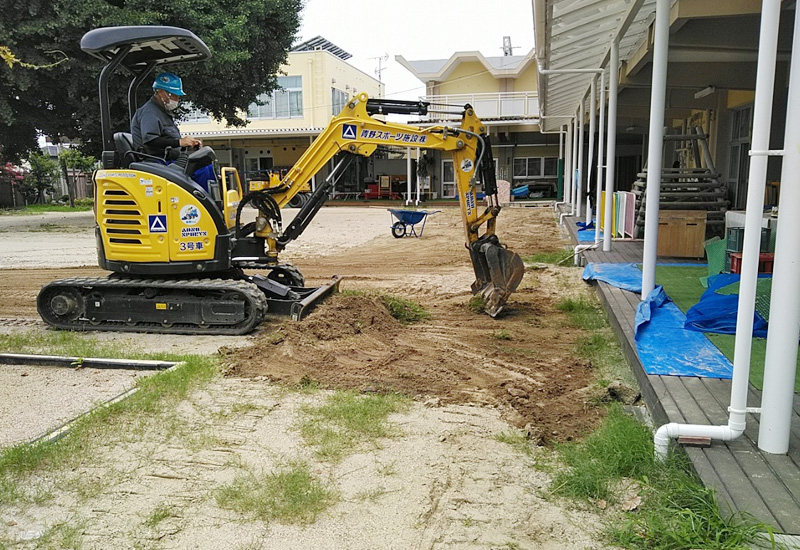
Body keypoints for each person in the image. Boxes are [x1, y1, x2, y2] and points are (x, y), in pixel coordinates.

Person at [131, 72, 202, 159]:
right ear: (161, 92)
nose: (177, 99)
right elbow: (151, 141)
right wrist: (179, 142)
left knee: (203, 161)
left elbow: (168, 140)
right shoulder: (149, 113)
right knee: (203, 169)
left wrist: (187, 144)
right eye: (174, 95)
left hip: (168, 160)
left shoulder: (162, 112)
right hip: (156, 162)